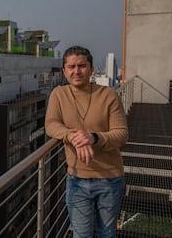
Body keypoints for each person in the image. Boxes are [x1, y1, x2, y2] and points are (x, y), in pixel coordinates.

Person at [45, 46, 128, 237]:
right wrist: (73, 136)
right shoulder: (59, 94)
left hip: (109, 178)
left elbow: (122, 134)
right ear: (64, 71)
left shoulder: (108, 95)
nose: (77, 71)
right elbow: (51, 124)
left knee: (106, 234)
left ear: (91, 69)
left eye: (82, 66)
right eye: (71, 66)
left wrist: (93, 137)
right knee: (81, 235)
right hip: (76, 179)